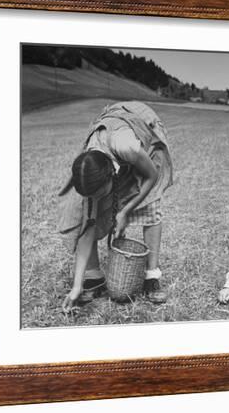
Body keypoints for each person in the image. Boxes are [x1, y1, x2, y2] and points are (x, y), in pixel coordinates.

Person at [57, 101, 173, 311]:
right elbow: (87, 232)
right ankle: (94, 277)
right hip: (113, 144)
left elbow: (152, 176)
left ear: (111, 175)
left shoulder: (127, 146)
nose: (97, 198)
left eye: (100, 193)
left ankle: (151, 276)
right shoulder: (91, 162)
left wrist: (125, 211)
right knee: (81, 215)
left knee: (150, 207)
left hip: (142, 129)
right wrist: (76, 287)